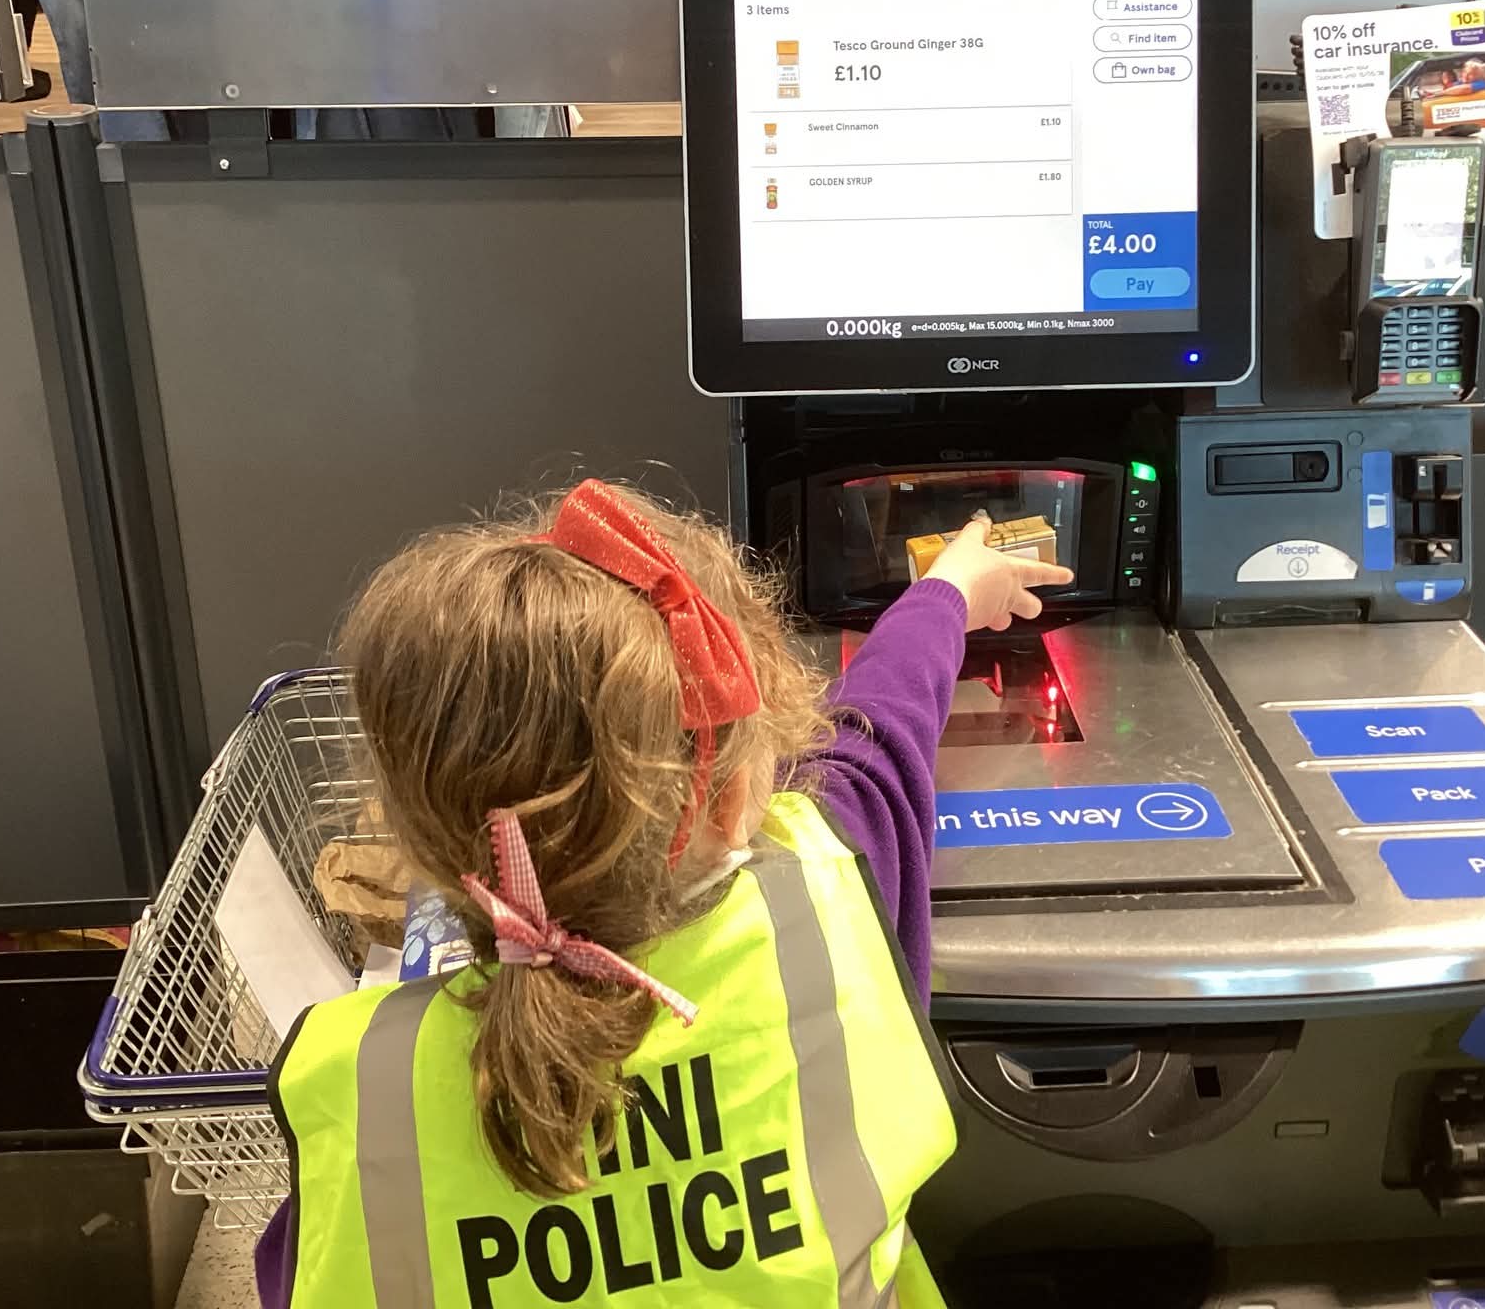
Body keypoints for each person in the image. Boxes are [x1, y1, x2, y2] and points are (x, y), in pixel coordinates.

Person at [256, 479, 1071, 1307]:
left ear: (425, 843)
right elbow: (878, 731)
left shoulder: (359, 1089)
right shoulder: (827, 896)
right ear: (730, 799)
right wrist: (947, 590)